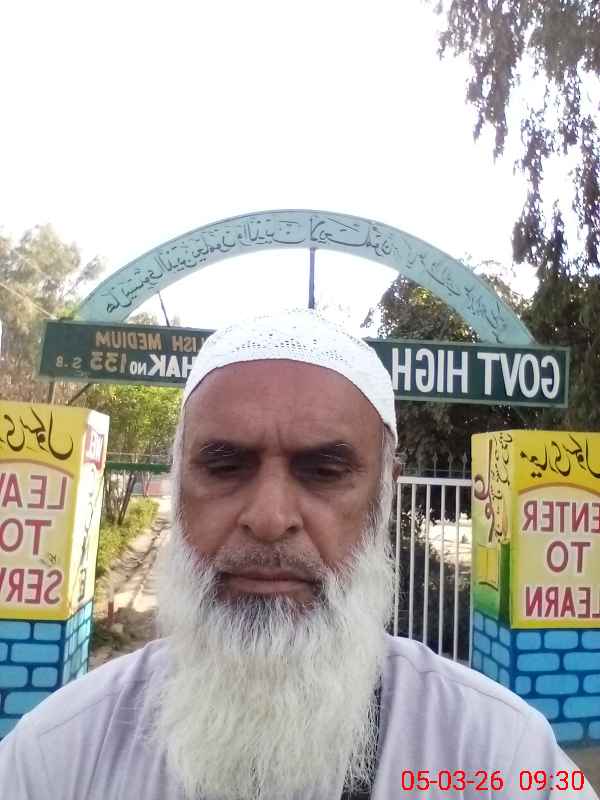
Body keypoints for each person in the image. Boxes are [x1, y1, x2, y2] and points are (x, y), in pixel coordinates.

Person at [0, 309, 596, 800]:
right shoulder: (56, 755)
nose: (268, 518)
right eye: (225, 466)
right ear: (178, 487)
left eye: (324, 471)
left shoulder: (501, 756)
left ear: (384, 497)